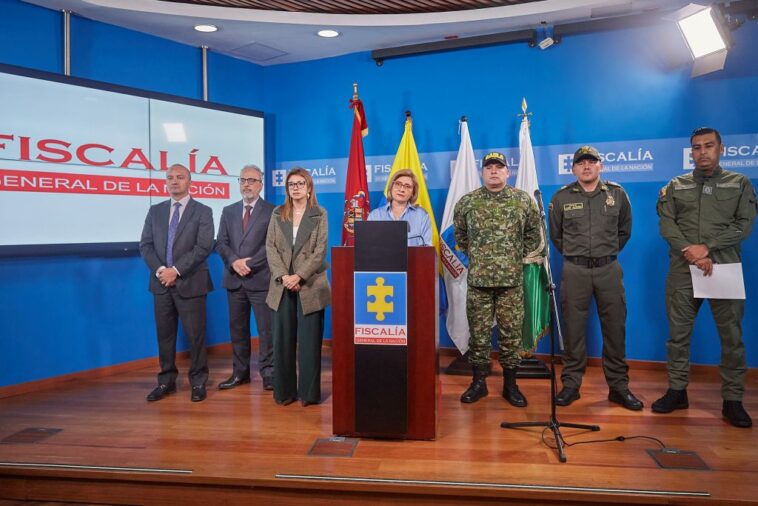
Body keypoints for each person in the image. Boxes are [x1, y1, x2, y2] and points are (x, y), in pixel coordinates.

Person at [653, 127, 757, 428]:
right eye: (696, 147)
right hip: (684, 269)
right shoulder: (676, 185)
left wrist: (708, 247)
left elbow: (744, 225)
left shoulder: (739, 183)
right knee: (678, 335)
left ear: (721, 149)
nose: (702, 152)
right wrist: (693, 252)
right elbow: (667, 225)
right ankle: (676, 391)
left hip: (724, 267)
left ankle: (733, 401)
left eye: (709, 146)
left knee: (732, 337)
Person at [549, 146, 642, 411]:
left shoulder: (617, 194)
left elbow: (624, 231)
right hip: (575, 269)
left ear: (601, 166)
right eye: (581, 163)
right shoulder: (562, 197)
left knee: (615, 328)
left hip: (608, 269)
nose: (586, 166)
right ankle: (570, 385)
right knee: (573, 329)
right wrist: (578, 255)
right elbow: (557, 236)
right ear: (573, 169)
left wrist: (604, 254)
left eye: (592, 162)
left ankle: (619, 387)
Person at [453, 151, 542, 406]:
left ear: (507, 172)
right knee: (479, 336)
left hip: (511, 282)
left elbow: (533, 236)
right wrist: (481, 259)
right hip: (479, 282)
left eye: (499, 167)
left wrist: (510, 259)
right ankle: (478, 383)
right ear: (482, 172)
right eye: (489, 167)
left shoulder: (522, 200)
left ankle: (510, 385)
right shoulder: (468, 202)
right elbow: (460, 237)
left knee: (511, 336)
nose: (494, 170)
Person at [139, 164, 214, 402]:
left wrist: (176, 271)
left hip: (190, 282)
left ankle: (198, 382)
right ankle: (166, 382)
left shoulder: (203, 211)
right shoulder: (155, 211)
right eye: (170, 177)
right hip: (161, 283)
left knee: (196, 336)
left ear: (189, 181)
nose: (174, 181)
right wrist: (163, 271)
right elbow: (146, 246)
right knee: (165, 336)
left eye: (180, 177)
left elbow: (203, 247)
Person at [266, 167, 331, 406]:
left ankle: (308, 394)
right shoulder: (277, 213)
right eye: (291, 184)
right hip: (281, 285)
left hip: (310, 284)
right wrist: (284, 276)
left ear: (309, 187)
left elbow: (319, 251)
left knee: (310, 342)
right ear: (287, 189)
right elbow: (270, 248)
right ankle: (284, 393)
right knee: (282, 342)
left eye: (300, 183)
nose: (295, 187)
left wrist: (299, 276)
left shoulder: (320, 213)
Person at [216, 165, 275, 391]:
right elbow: (220, 242)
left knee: (266, 330)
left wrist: (249, 264)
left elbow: (272, 245)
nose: (247, 184)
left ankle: (269, 373)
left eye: (252, 180)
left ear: (260, 184)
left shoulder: (272, 211)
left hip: (260, 279)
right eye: (243, 180)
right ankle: (240, 373)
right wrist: (234, 262)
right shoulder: (228, 211)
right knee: (238, 329)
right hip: (234, 279)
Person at [368, 169, 432, 246]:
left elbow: (426, 249)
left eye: (407, 186)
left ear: (413, 193)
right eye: (398, 184)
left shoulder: (421, 215)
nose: (401, 189)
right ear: (391, 187)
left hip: (413, 258)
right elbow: (369, 246)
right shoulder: (375, 215)